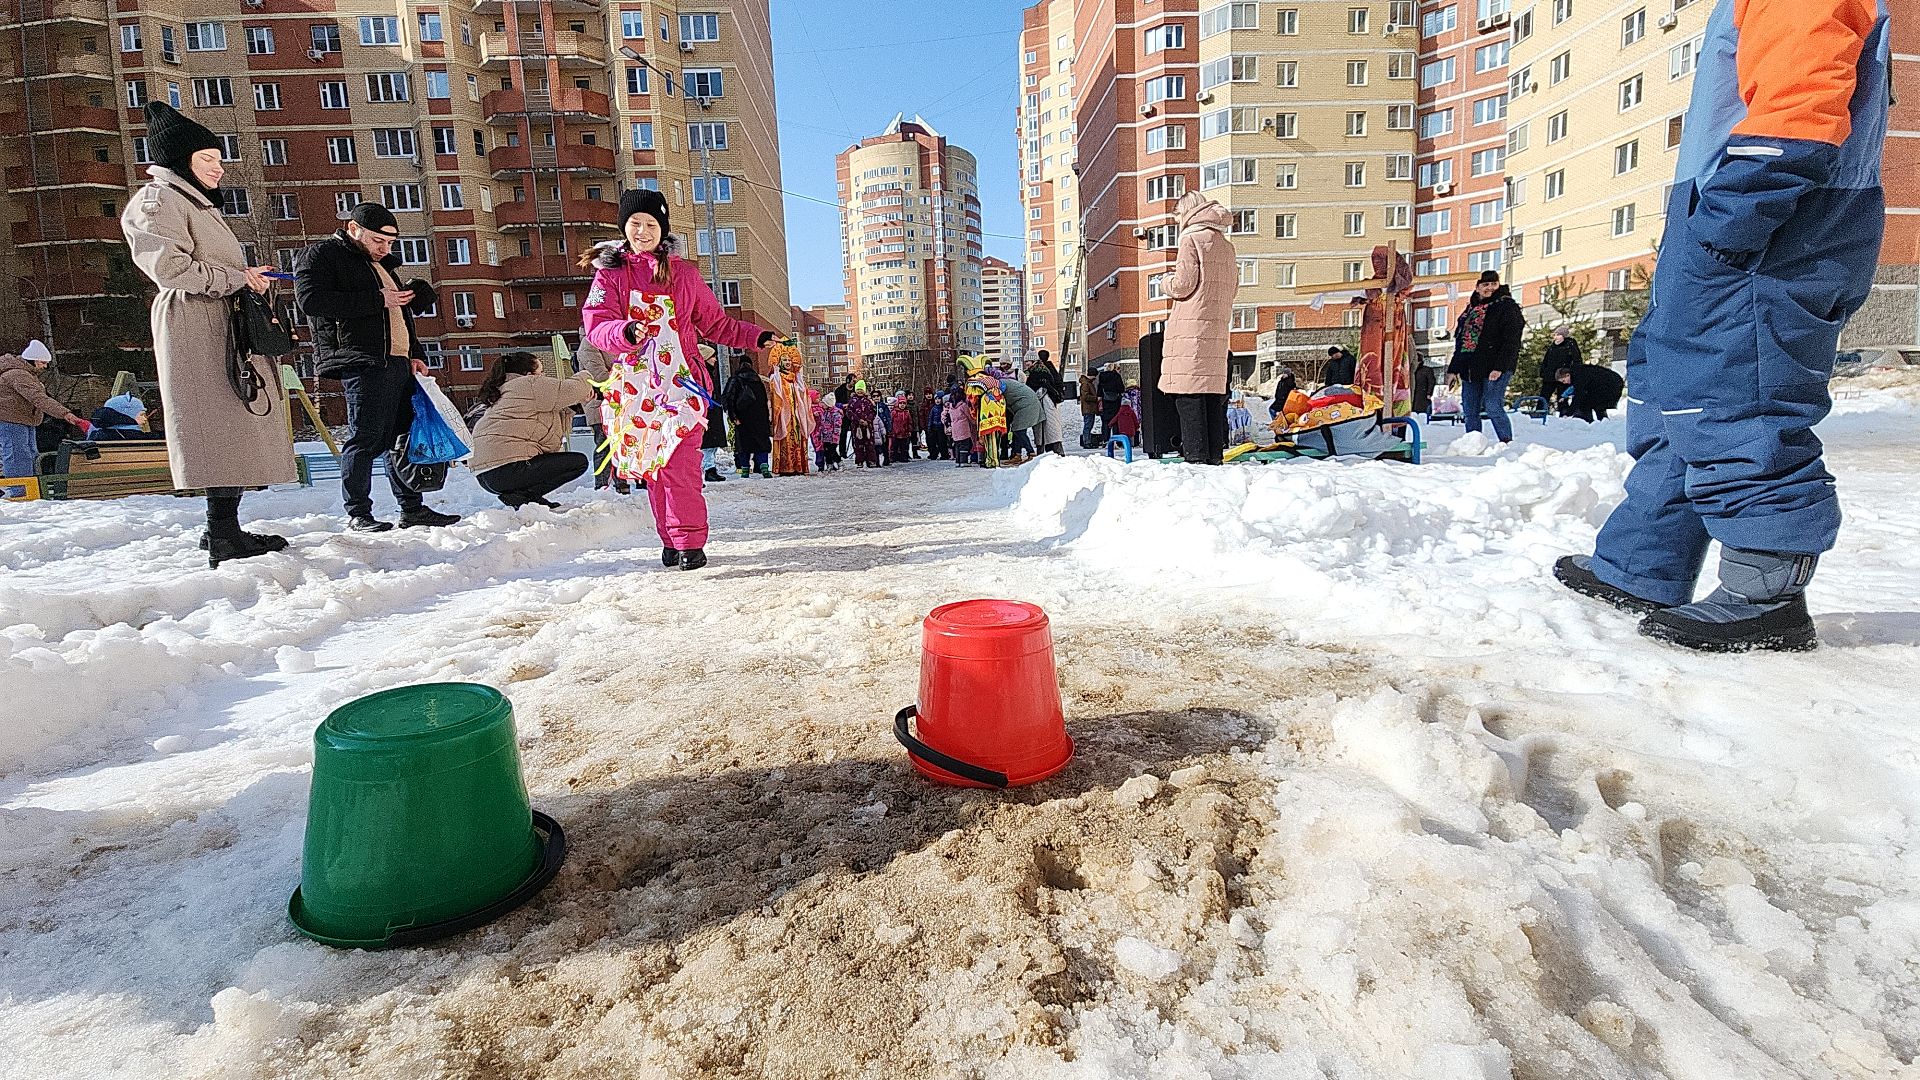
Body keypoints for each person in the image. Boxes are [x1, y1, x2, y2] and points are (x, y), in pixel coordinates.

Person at [1555, 0, 1888, 653]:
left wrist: (1722, 229)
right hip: (1726, 221)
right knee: (1676, 393)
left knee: (1739, 397)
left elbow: (1801, 108)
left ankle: (1767, 596)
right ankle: (1641, 564)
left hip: (1771, 229)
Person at [122, 103, 299, 564]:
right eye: (209, 159)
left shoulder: (191, 201)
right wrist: (237, 277)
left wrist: (245, 276)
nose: (219, 168)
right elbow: (171, 268)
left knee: (232, 424)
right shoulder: (157, 201)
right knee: (216, 425)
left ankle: (224, 528)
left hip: (219, 319)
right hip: (194, 323)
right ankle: (221, 533)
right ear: (181, 161)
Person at [582, 188, 775, 570]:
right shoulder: (610, 275)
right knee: (654, 468)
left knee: (682, 465)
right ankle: (670, 541)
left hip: (683, 385)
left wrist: (756, 336)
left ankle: (689, 542)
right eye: (635, 223)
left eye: (650, 224)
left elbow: (715, 323)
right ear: (624, 227)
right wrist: (625, 333)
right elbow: (596, 325)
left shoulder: (684, 274)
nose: (642, 231)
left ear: (662, 229)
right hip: (637, 387)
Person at [297, 201, 459, 533]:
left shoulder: (383, 265)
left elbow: (400, 317)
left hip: (398, 362)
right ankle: (358, 512)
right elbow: (311, 301)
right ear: (353, 230)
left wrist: (415, 354)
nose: (384, 249)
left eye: (389, 244)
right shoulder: (322, 255)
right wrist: (377, 299)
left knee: (401, 437)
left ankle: (412, 508)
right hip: (362, 360)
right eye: (378, 242)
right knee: (366, 437)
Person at [1159, 191, 1238, 466]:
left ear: (1187, 212)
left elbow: (1183, 284)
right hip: (1216, 330)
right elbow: (1234, 288)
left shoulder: (1190, 238)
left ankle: (1196, 459)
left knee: (1189, 397)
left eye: (1178, 215)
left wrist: (1165, 281)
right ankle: (1214, 457)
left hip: (1191, 329)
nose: (1178, 221)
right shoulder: (1226, 246)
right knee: (1211, 398)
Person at [467, 351, 594, 509]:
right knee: (578, 462)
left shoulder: (507, 390)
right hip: (506, 469)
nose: (544, 376)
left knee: (569, 462)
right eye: (540, 372)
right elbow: (572, 389)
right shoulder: (528, 384)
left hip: (487, 475)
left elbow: (548, 432)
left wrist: (574, 404)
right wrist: (587, 374)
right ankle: (523, 497)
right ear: (528, 374)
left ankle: (526, 499)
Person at [1447, 270, 1525, 444]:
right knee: (1470, 409)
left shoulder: (1506, 306)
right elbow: (1461, 341)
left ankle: (1507, 443)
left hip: (1494, 366)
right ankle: (1473, 444)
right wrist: (1453, 369)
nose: (1489, 288)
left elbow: (1511, 341)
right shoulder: (1470, 310)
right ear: (1477, 288)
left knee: (1493, 406)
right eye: (1485, 284)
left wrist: (1500, 367)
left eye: (1493, 284)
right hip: (1470, 367)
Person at [1, 341, 88, 495]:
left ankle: (31, 489)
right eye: (42, 363)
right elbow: (39, 399)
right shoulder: (17, 374)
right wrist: (65, 414)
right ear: (32, 359)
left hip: (25, 420)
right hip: (11, 420)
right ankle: (20, 491)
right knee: (17, 455)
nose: (45, 367)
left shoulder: (27, 374)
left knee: (30, 454)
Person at [575, 339, 632, 495]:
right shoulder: (589, 344)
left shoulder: (615, 340)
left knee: (621, 444)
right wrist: (625, 380)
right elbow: (599, 375)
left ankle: (621, 481)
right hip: (599, 402)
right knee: (604, 443)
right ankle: (602, 485)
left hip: (619, 402)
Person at [720, 351, 772, 477]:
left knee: (744, 445)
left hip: (742, 418)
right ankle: (764, 467)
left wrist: (733, 416)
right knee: (761, 443)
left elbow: (728, 398)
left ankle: (745, 470)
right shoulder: (757, 380)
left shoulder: (735, 379)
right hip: (759, 419)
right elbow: (763, 401)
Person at [768, 348, 812, 476]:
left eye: (789, 360)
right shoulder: (777, 378)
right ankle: (784, 467)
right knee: (785, 438)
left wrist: (798, 375)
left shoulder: (794, 379)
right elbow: (776, 391)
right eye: (784, 360)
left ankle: (799, 466)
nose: (788, 362)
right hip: (784, 415)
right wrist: (776, 371)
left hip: (797, 415)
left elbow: (803, 391)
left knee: (798, 438)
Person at [697, 347, 730, 484]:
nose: (715, 360)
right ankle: (708, 469)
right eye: (712, 357)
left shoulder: (709, 373)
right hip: (707, 412)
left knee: (711, 443)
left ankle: (710, 468)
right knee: (707, 443)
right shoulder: (702, 374)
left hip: (712, 411)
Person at [1027, 349, 1067, 455]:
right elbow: (1058, 383)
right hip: (1051, 402)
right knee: (1051, 427)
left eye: (1028, 361)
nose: (1026, 363)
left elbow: (1030, 388)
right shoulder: (1050, 369)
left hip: (1044, 402)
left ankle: (1046, 452)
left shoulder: (1037, 372)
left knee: (1044, 428)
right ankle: (1055, 451)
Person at [1554, 364, 1625, 423]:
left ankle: (1586, 421)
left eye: (1563, 380)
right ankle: (1602, 422)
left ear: (1567, 375)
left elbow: (1579, 396)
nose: (1564, 383)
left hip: (1611, 385)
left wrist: (1569, 413)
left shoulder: (1579, 376)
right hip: (1614, 382)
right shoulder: (1578, 372)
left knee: (1586, 401)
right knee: (1596, 403)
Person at [1001, 373, 1043, 464]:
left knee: (1019, 430)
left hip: (1026, 406)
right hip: (1025, 405)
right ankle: (1017, 455)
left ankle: (1030, 453)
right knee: (1017, 430)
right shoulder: (1003, 383)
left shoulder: (1000, 386)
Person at [90, 392, 158, 441]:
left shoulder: (97, 435)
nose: (145, 419)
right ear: (127, 415)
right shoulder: (134, 436)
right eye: (141, 415)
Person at [1541, 326, 1584, 403]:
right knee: (1544, 397)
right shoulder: (1552, 346)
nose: (1555, 337)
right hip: (1549, 376)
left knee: (1562, 398)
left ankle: (1564, 413)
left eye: (1558, 335)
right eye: (1555, 335)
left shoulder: (1570, 344)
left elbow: (1577, 359)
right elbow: (1546, 360)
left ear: (1563, 335)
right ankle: (1540, 412)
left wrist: (1573, 373)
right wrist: (1543, 371)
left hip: (1563, 376)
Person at [844, 382, 879, 467]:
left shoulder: (868, 401)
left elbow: (873, 412)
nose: (860, 391)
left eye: (861, 389)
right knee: (858, 444)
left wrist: (868, 420)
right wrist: (858, 420)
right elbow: (849, 412)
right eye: (858, 390)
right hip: (857, 426)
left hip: (868, 426)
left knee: (869, 444)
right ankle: (859, 461)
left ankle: (871, 461)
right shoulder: (852, 401)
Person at [811, 389, 842, 472]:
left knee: (832, 451)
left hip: (832, 437)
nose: (822, 404)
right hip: (825, 436)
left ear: (828, 404)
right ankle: (829, 464)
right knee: (827, 451)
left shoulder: (835, 413)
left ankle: (839, 462)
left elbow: (837, 425)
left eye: (824, 403)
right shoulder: (825, 412)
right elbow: (822, 422)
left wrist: (835, 435)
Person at [944, 390, 975, 465]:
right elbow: (969, 416)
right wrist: (974, 422)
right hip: (963, 428)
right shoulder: (963, 406)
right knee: (964, 445)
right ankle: (963, 461)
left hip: (955, 427)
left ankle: (958, 461)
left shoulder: (951, 407)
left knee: (957, 445)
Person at [1096, 361, 1125, 438]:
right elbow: (1121, 388)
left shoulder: (1102, 377)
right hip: (1115, 401)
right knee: (1115, 420)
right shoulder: (1116, 376)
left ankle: (1106, 439)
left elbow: (1099, 391)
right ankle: (1117, 439)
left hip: (1105, 402)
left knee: (1105, 421)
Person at [889, 392, 916, 461]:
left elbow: (909, 422)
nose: (902, 405)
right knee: (894, 446)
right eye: (901, 403)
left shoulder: (906, 413)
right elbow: (891, 421)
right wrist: (890, 430)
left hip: (904, 432)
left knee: (903, 446)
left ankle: (903, 457)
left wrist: (909, 430)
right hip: (895, 432)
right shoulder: (894, 412)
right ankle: (893, 457)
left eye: (904, 403)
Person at [923, 388, 948, 461]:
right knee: (933, 442)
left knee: (942, 441)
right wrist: (929, 426)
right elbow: (930, 418)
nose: (937, 401)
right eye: (936, 399)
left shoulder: (943, 408)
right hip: (934, 427)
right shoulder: (933, 408)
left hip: (941, 427)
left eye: (939, 399)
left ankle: (944, 454)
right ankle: (933, 454)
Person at [1078, 367, 1101, 442]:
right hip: (1088, 408)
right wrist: (1096, 398)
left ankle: (1087, 441)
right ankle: (1086, 441)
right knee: (1088, 426)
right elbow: (1085, 396)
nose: (1095, 378)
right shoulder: (1086, 384)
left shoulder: (1087, 383)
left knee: (1088, 425)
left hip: (1089, 408)